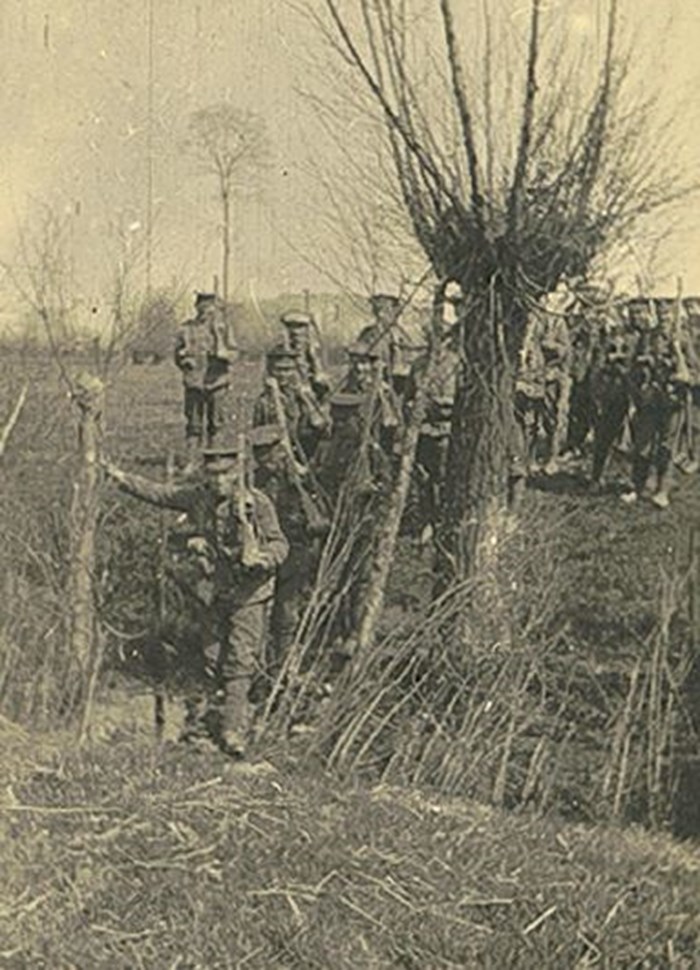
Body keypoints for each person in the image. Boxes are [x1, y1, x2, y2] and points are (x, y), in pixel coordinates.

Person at [101, 440, 288, 758]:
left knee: (239, 661)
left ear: (237, 473)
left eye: (225, 475)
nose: (218, 481)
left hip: (250, 592)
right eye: (212, 475)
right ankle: (214, 718)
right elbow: (161, 493)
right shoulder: (199, 498)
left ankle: (232, 730)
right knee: (212, 656)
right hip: (216, 589)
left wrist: (262, 557)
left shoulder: (256, 504)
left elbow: (280, 545)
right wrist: (118, 476)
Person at [250, 423, 330, 687]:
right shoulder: (255, 481)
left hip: (296, 549)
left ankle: (283, 665)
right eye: (260, 456)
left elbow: (318, 516)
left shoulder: (298, 478)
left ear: (280, 452)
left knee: (286, 609)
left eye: (269, 455)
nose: (265, 462)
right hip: (267, 549)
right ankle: (263, 664)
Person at [621, 322, 684, 508]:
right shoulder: (646, 347)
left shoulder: (682, 344)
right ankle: (637, 488)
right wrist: (639, 390)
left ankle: (662, 491)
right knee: (642, 447)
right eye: (655, 339)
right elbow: (631, 373)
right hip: (649, 405)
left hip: (671, 405)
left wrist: (678, 358)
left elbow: (693, 372)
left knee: (666, 449)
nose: (658, 344)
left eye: (663, 340)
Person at [174, 293, 239, 459]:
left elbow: (234, 353)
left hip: (217, 382)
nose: (206, 312)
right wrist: (185, 361)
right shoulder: (186, 328)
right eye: (202, 307)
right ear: (196, 308)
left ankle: (213, 459)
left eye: (210, 308)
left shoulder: (224, 329)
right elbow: (177, 354)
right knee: (193, 424)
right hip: (194, 383)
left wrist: (224, 353)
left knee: (216, 424)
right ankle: (192, 460)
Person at [253, 342, 330, 463]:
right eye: (278, 370)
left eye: (287, 370)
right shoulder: (264, 402)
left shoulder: (304, 396)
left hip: (307, 456)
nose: (283, 375)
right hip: (277, 460)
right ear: (270, 371)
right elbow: (258, 440)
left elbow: (321, 426)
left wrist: (305, 398)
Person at [279, 311, 331, 403]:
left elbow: (326, 389)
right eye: (293, 335)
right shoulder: (280, 355)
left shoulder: (313, 355)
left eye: (301, 334)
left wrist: (320, 379)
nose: (296, 333)